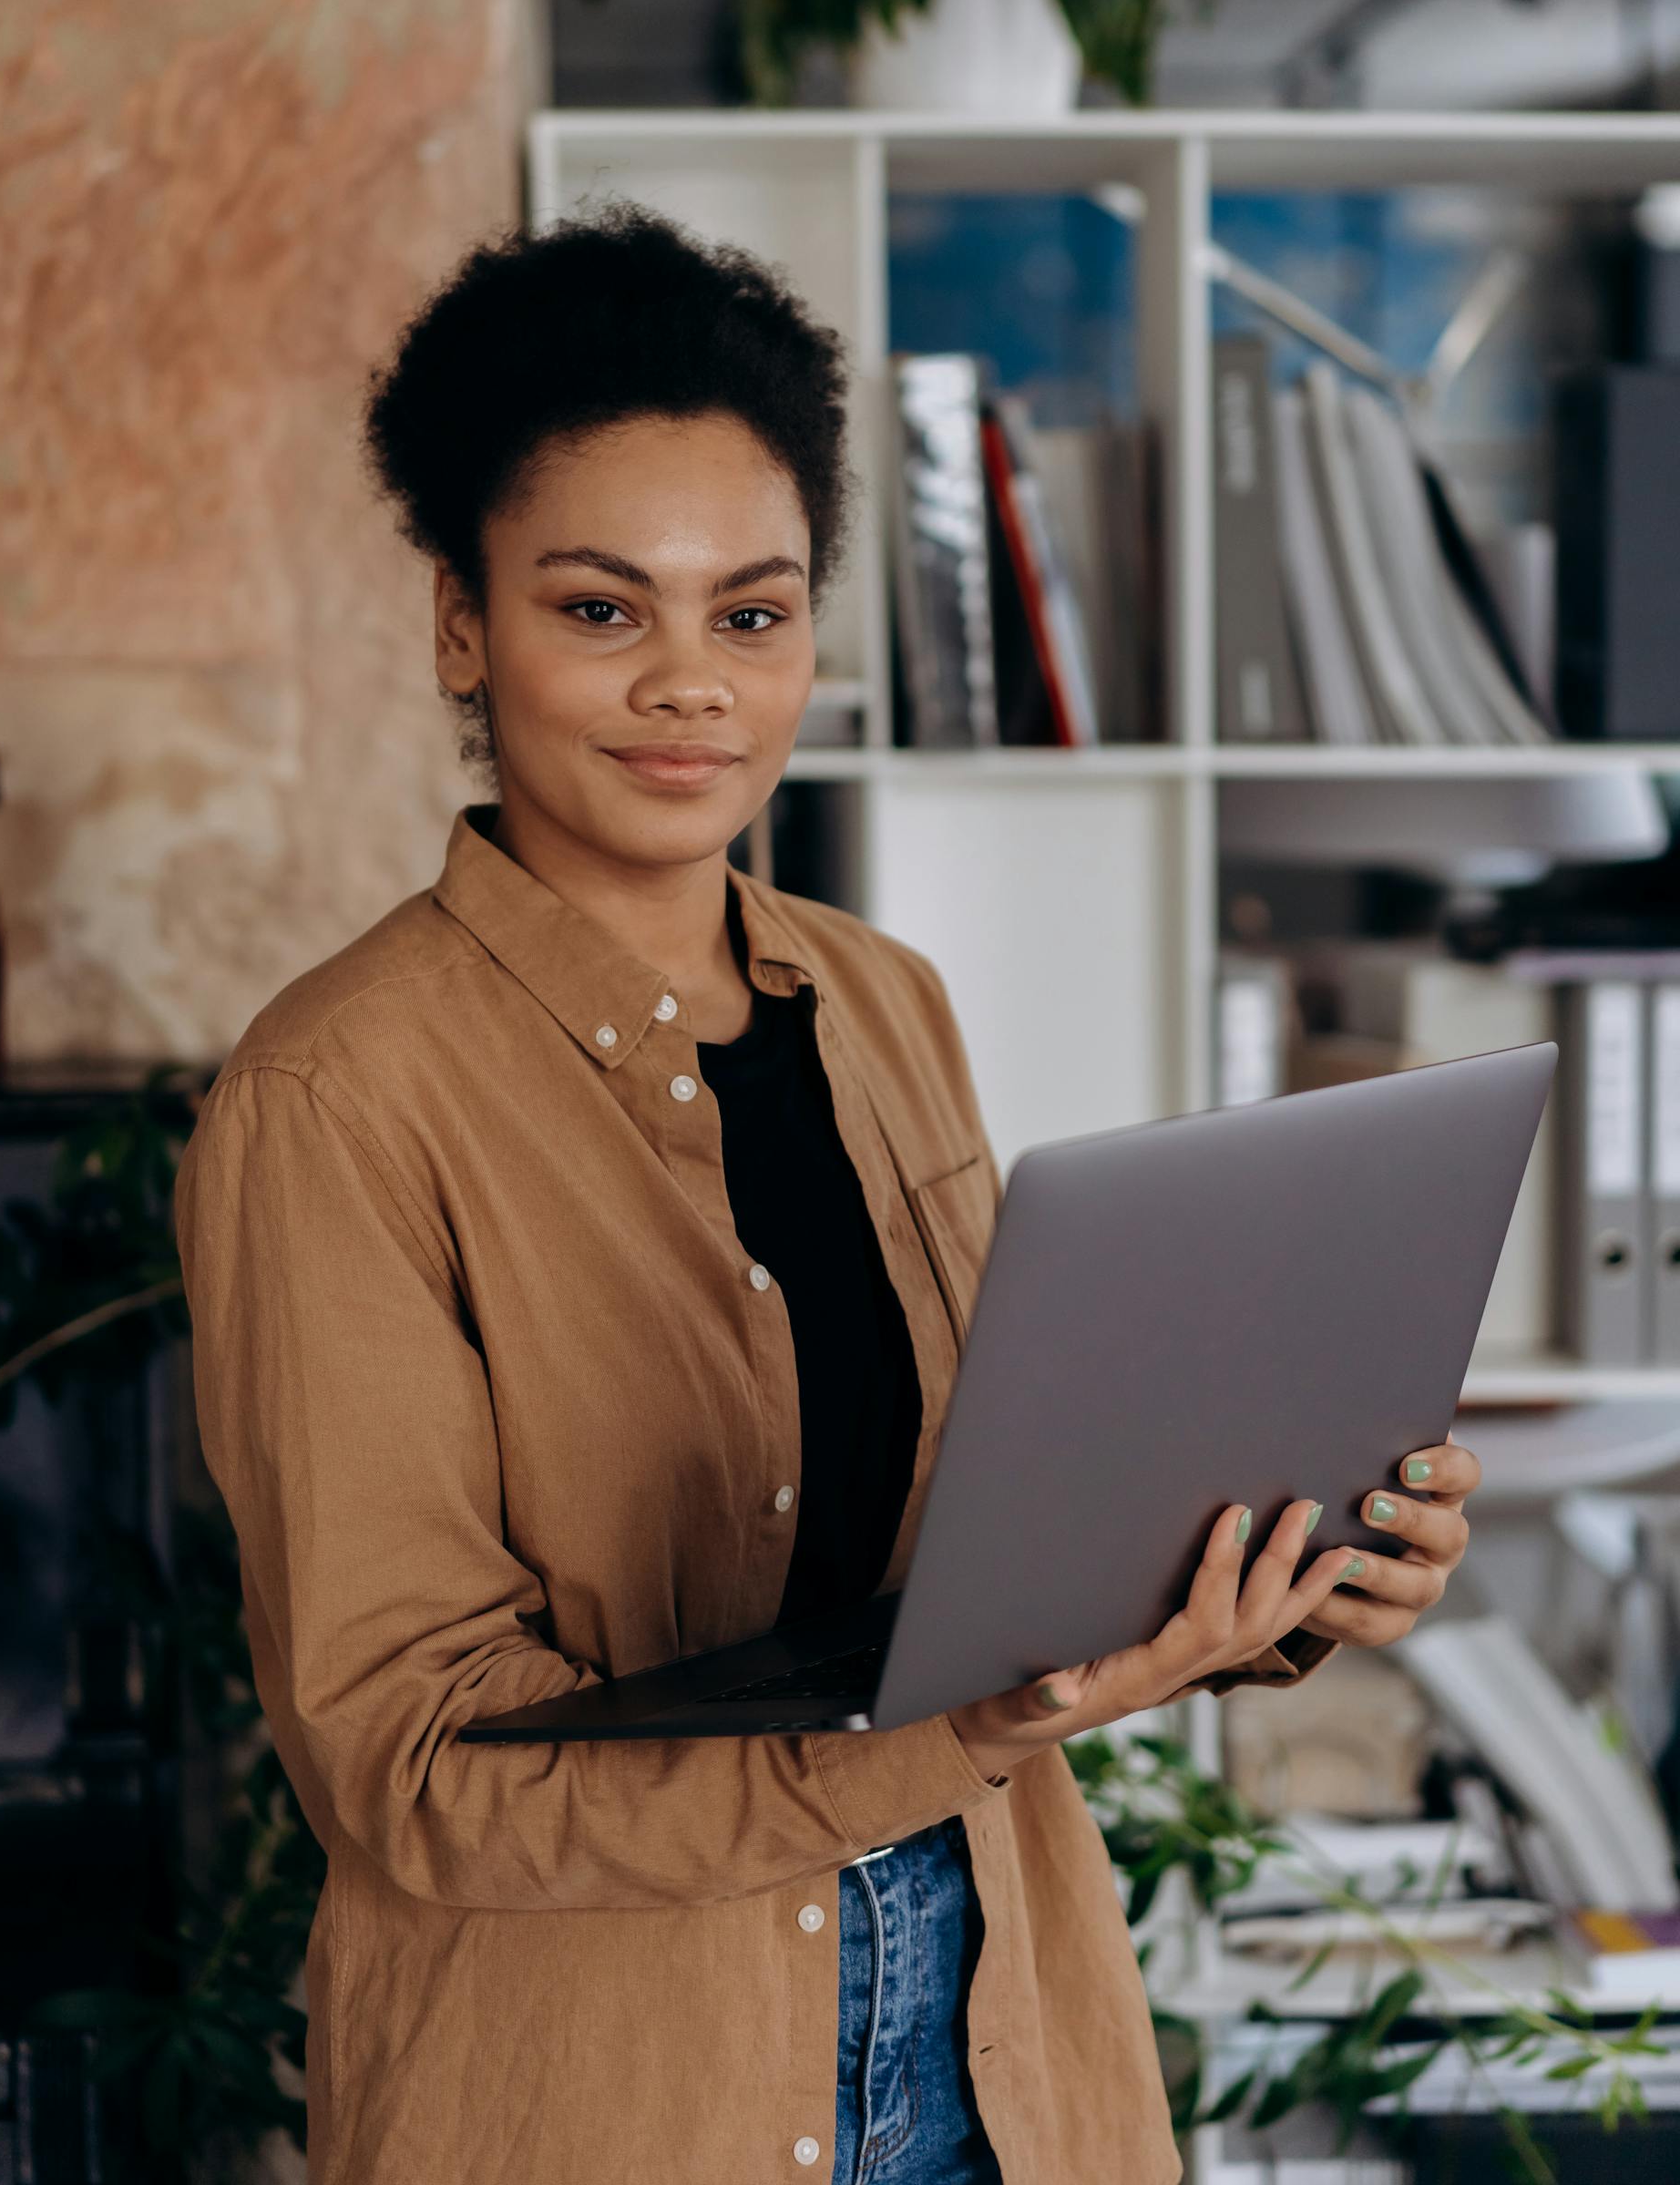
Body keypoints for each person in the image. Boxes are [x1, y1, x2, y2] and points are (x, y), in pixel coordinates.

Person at [174, 207, 1480, 2185]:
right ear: (463, 622)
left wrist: (1282, 1567)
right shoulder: (335, 1100)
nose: (691, 686)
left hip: (996, 2049)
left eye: (755, 613)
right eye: (602, 610)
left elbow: (990, 1549)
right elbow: (420, 1777)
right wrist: (962, 1729)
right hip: (608, 2100)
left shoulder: (882, 1004)